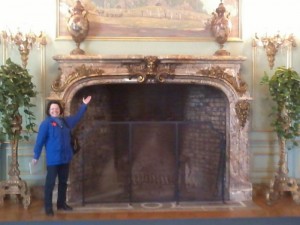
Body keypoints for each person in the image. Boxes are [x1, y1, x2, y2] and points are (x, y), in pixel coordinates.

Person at [32, 96, 92, 216]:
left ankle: (61, 204)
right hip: (53, 160)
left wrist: (84, 105)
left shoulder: (65, 121)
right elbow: (40, 141)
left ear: (60, 110)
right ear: (49, 111)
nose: (55, 110)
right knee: (50, 183)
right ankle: (48, 207)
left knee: (63, 182)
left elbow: (77, 117)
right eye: (52, 109)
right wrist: (36, 156)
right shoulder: (46, 124)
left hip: (65, 158)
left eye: (57, 108)